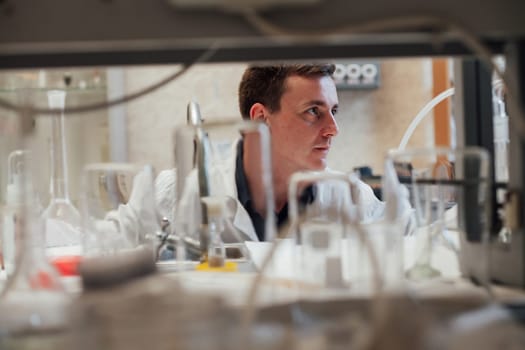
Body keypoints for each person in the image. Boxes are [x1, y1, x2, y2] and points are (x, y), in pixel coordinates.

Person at [144, 63, 386, 243]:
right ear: (260, 119)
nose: (333, 129)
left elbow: (414, 242)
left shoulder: (351, 198)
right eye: (313, 111)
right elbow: (113, 249)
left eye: (334, 111)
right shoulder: (176, 192)